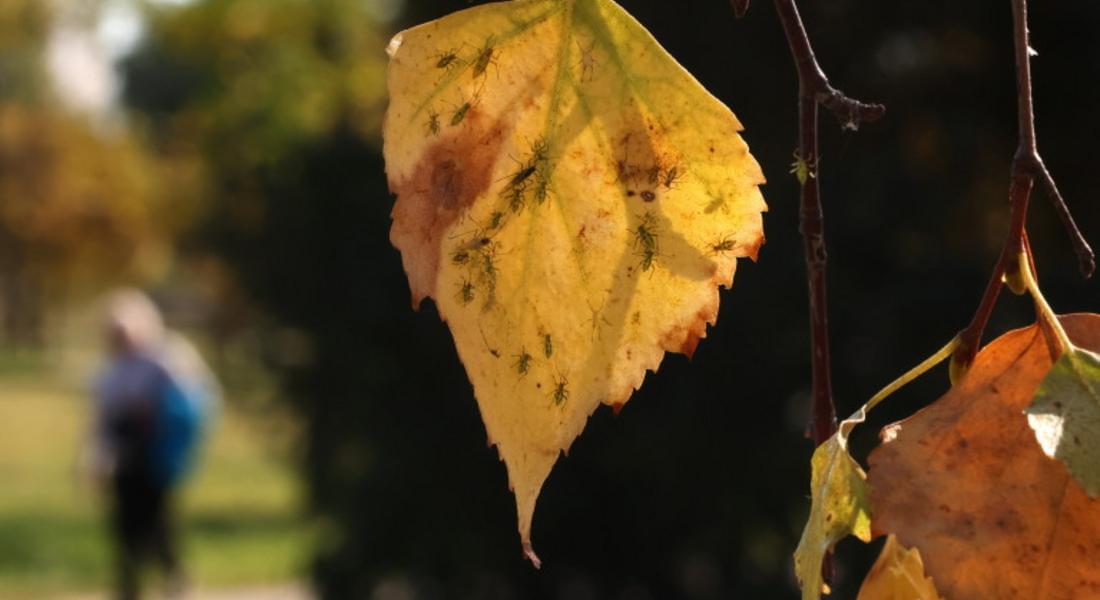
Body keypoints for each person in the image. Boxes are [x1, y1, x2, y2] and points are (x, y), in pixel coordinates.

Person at [87, 289, 218, 600]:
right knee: (124, 521)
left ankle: (172, 575)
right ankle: (129, 583)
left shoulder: (168, 357)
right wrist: (96, 460)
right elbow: (103, 420)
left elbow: (194, 400)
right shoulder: (112, 370)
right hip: (125, 454)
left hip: (157, 451)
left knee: (158, 518)